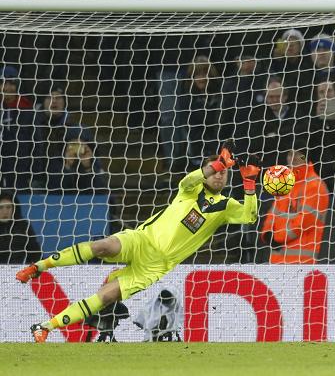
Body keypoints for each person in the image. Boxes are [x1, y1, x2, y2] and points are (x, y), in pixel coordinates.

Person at [15, 141, 261, 343]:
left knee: (107, 296)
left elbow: (250, 217)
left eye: (224, 172)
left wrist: (249, 184)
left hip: (155, 265)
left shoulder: (226, 206)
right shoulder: (191, 189)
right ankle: (38, 267)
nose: (219, 175)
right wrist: (218, 162)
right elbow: (187, 180)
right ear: (207, 171)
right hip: (142, 239)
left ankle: (45, 327)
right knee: (104, 246)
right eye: (215, 170)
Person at [260, 147, 329, 264]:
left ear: (306, 158)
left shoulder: (316, 186)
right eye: (290, 153)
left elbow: (304, 223)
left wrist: (276, 238)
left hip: (301, 263)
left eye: (299, 154)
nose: (294, 157)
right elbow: (273, 213)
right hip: (277, 261)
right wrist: (267, 233)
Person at [0, 191, 41, 264]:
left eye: (8, 207)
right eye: (1, 207)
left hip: (18, 270)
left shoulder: (23, 226)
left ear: (14, 208)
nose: (5, 212)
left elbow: (35, 253)